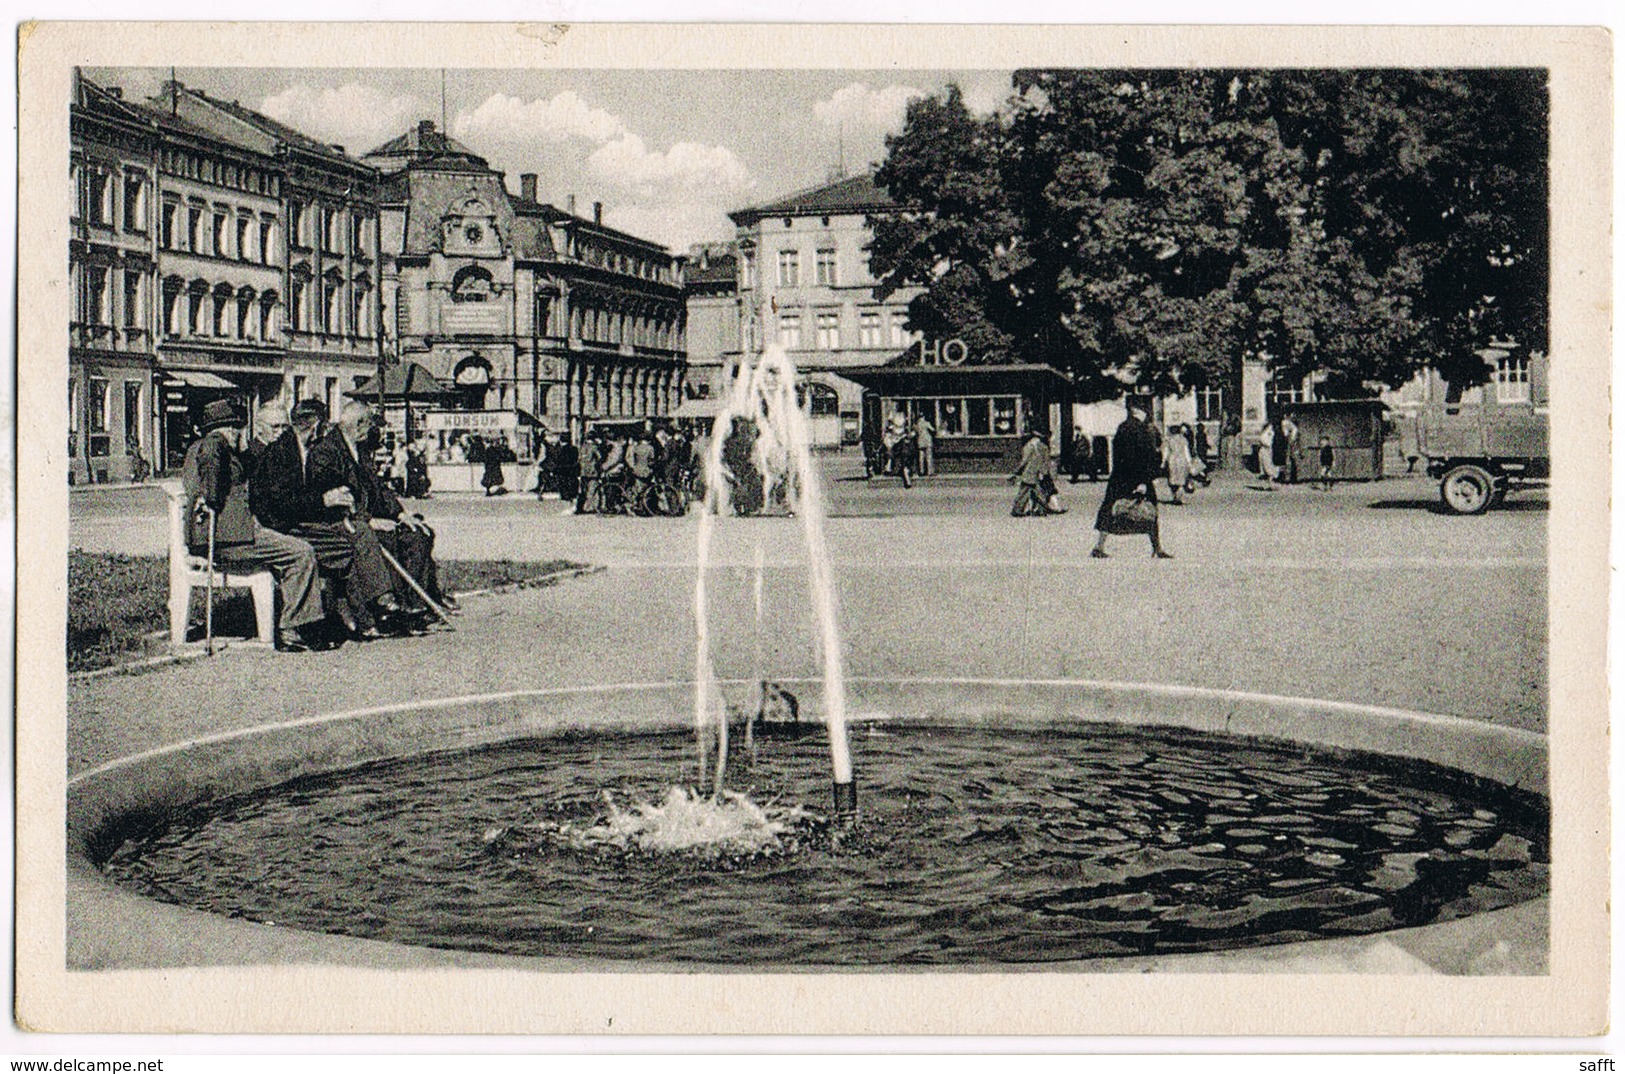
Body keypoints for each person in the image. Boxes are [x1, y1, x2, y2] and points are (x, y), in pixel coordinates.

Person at [181, 399, 325, 651]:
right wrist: (211, 497)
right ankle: (293, 628)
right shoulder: (214, 445)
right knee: (301, 553)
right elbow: (211, 475)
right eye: (237, 429)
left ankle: (299, 623)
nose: (241, 434)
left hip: (235, 534)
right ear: (226, 429)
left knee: (297, 547)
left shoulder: (214, 448)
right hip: (231, 537)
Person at [251, 398, 401, 639]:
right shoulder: (280, 453)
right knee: (350, 543)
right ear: (317, 426)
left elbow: (306, 495)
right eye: (325, 427)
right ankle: (359, 611)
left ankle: (364, 614)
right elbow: (282, 505)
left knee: (351, 541)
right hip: (283, 528)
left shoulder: (303, 450)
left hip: (300, 523)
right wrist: (324, 501)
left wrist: (333, 501)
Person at [307, 401, 452, 621]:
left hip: (373, 517)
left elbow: (379, 487)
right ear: (359, 424)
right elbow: (334, 498)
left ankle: (415, 604)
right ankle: (390, 608)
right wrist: (369, 520)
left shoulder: (361, 449)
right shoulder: (325, 452)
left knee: (419, 533)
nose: (372, 430)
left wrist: (400, 514)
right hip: (349, 523)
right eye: (370, 425)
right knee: (386, 537)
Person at [1091, 398, 1172, 559]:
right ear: (1138, 411)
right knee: (1150, 510)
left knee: (1109, 510)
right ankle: (1157, 547)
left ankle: (1099, 546)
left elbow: (1120, 455)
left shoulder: (1122, 427)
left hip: (1120, 477)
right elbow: (1142, 457)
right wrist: (1143, 480)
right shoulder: (1140, 429)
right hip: (1138, 477)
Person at [1008, 427, 1056, 516]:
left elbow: (1024, 460)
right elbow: (1046, 461)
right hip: (1038, 472)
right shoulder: (1043, 446)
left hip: (1029, 472)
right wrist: (1044, 472)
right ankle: (1041, 510)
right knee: (1038, 492)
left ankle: (1018, 510)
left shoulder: (1030, 445)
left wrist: (1017, 471)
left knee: (1024, 492)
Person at [1162, 423, 1192, 505]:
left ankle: (1175, 496)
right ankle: (1180, 497)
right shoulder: (1183, 440)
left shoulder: (1168, 440)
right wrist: (1189, 462)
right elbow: (1186, 452)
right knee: (1182, 479)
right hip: (1182, 460)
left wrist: (1163, 462)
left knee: (1173, 479)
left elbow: (1166, 452)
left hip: (1172, 460)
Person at [913, 412, 936, 478]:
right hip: (927, 441)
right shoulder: (926, 423)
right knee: (929, 457)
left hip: (920, 442)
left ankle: (921, 471)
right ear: (924, 417)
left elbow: (914, 433)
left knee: (921, 457)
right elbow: (933, 429)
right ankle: (929, 472)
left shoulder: (916, 425)